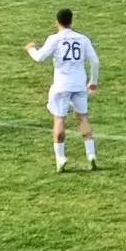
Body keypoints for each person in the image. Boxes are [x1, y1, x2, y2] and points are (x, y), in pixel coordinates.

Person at [25, 9, 101, 172]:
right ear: (72, 21)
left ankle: (61, 158)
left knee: (59, 119)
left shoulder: (55, 39)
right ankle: (91, 154)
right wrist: (93, 82)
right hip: (79, 84)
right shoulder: (82, 38)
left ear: (57, 22)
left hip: (62, 85)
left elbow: (40, 58)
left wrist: (31, 48)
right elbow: (95, 61)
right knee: (83, 118)